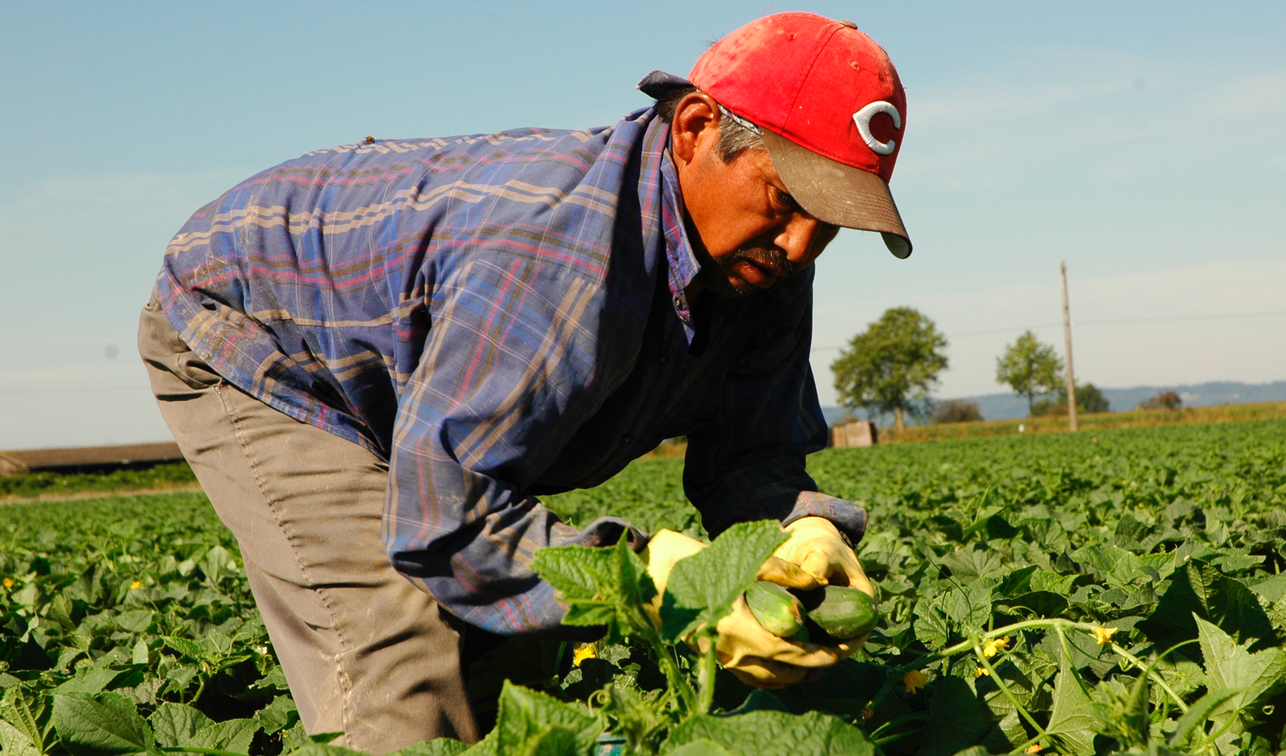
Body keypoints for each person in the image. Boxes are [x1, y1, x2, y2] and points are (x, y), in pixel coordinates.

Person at [137, 11, 909, 753]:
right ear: (695, 130)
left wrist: (800, 528)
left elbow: (751, 455)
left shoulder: (763, 264)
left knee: (504, 653)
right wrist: (656, 586)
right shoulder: (559, 256)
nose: (802, 244)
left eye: (832, 220)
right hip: (257, 328)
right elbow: (441, 517)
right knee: (398, 641)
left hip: (389, 361)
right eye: (786, 200)